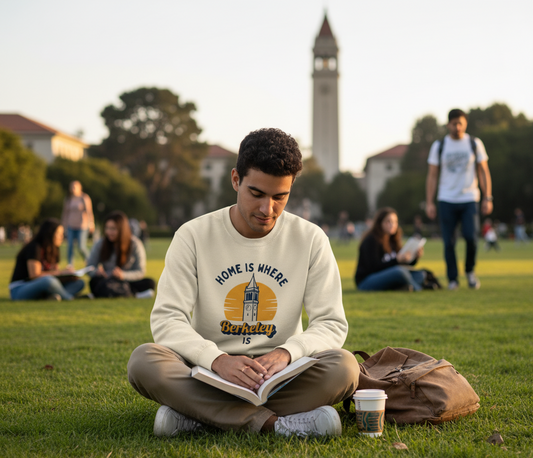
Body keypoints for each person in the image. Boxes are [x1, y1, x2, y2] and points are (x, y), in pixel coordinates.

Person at [127, 128, 358, 438]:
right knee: (144, 361)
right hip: (208, 373)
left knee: (344, 367)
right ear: (236, 179)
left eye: (280, 197)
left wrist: (286, 354)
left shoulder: (311, 239)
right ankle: (275, 425)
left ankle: (199, 417)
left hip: (282, 375)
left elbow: (330, 323)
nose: (268, 209)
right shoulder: (193, 235)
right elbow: (167, 319)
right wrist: (218, 360)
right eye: (257, 194)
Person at [425, 108, 493, 290]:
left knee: (471, 237)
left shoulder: (474, 143)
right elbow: (432, 176)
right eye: (454, 123)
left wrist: (488, 197)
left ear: (466, 124)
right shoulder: (439, 146)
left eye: (460, 123)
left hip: (469, 198)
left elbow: (483, 171)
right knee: (449, 242)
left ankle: (470, 271)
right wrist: (430, 202)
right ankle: (453, 279)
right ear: (448, 124)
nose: (457, 127)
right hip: (446, 198)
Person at [9, 218, 85, 301]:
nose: (62, 237)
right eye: (59, 234)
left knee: (79, 283)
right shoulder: (35, 247)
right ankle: (68, 298)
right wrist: (61, 272)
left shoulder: (54, 249)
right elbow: (34, 275)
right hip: (20, 289)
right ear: (50, 234)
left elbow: (53, 272)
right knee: (49, 281)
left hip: (42, 286)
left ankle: (53, 297)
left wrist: (68, 276)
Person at [86, 210, 156, 298]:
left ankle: (108, 293)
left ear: (122, 230)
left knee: (150, 283)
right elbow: (89, 267)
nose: (109, 232)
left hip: (126, 280)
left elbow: (140, 271)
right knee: (94, 282)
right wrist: (96, 272)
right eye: (107, 228)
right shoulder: (101, 244)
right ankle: (134, 294)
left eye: (113, 229)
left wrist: (123, 275)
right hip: (108, 280)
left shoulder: (135, 244)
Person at [355, 208, 427, 292]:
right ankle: (417, 288)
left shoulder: (393, 240)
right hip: (366, 281)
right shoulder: (371, 240)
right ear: (380, 223)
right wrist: (396, 260)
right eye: (388, 221)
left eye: (395, 222)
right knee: (399, 272)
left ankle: (403, 287)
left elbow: (402, 264)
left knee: (420, 274)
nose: (392, 224)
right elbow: (374, 268)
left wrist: (414, 257)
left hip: (390, 276)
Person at [61, 180, 95, 266]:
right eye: (72, 186)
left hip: (82, 226)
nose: (73, 188)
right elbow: (65, 213)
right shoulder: (68, 199)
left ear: (80, 188)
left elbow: (89, 212)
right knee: (70, 246)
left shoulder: (84, 198)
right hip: (70, 225)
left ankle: (90, 261)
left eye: (75, 186)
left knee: (81, 246)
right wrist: (62, 225)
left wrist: (91, 223)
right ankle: (70, 265)